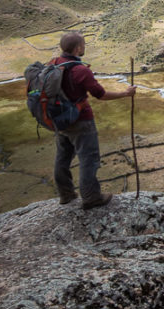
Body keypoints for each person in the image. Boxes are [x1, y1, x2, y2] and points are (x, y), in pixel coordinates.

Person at [51, 31, 136, 209]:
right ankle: (91, 197)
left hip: (60, 120)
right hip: (81, 121)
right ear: (78, 48)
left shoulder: (55, 64)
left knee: (62, 157)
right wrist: (125, 93)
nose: (84, 48)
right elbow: (101, 94)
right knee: (89, 159)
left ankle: (66, 195)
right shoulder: (80, 70)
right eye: (83, 45)